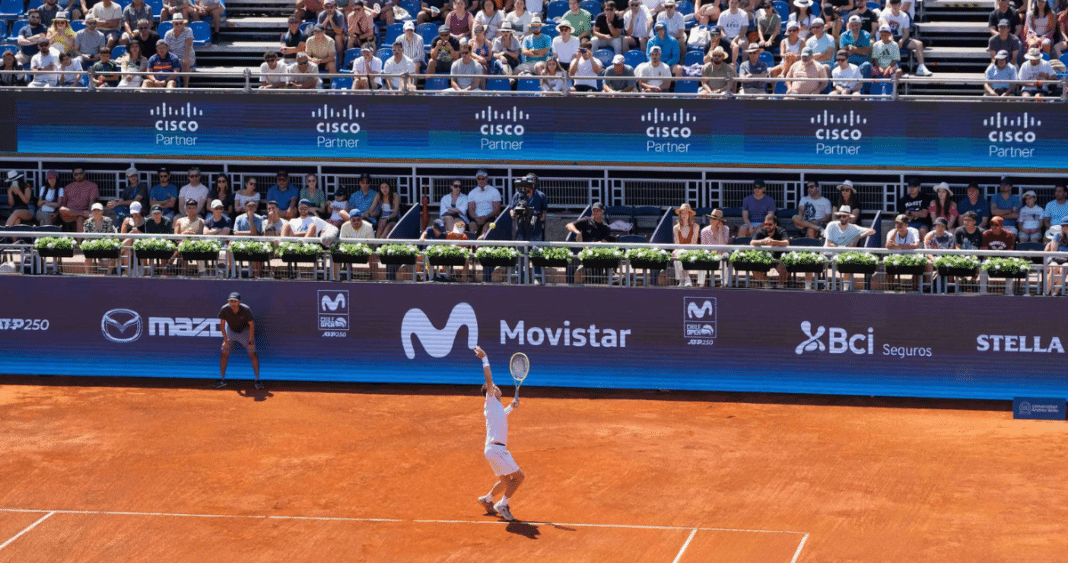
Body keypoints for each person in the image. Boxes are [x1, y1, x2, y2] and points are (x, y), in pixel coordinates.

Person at [472, 345, 523, 522]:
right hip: (496, 450)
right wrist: (484, 357)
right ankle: (502, 504)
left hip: (491, 449)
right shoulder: (491, 399)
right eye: (493, 387)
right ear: (490, 392)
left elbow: (501, 418)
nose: (496, 388)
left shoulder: (497, 408)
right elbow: (489, 379)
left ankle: (487, 499)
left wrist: (511, 407)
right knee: (518, 478)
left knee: (505, 481)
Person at [215, 292, 262, 390]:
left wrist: (250, 341)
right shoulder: (224, 309)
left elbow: (252, 325)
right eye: (230, 301)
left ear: (239, 302)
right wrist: (225, 340)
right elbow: (222, 325)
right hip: (231, 332)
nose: (232, 303)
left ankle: (257, 380)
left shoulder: (246, 309)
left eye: (234, 301)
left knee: (252, 353)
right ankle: (222, 379)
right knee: (224, 352)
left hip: (245, 332)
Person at [749, 213, 789, 284]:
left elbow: (786, 242)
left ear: (775, 224)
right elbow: (752, 242)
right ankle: (766, 286)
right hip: (764, 258)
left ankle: (780, 287)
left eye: (770, 224)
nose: (767, 226)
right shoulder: (761, 231)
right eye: (766, 224)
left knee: (784, 269)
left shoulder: (781, 231)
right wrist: (763, 241)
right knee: (754, 269)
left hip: (778, 258)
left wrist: (774, 242)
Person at [58, 166, 99, 232]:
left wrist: (90, 212)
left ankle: (78, 242)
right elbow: (63, 203)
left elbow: (92, 200)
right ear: (73, 175)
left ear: (84, 173)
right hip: (70, 213)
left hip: (85, 213)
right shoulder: (68, 187)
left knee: (80, 218)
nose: (79, 176)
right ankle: (81, 213)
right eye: (76, 174)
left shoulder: (92, 186)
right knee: (62, 209)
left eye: (80, 173)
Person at [670, 203, 701, 286]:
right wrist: (678, 250)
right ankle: (685, 279)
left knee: (680, 254)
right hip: (680, 250)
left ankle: (682, 280)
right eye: (682, 213)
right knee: (678, 254)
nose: (684, 215)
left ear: (690, 214)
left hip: (691, 250)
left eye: (686, 213)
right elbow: (677, 244)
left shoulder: (695, 226)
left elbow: (693, 243)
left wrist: (683, 250)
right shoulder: (676, 228)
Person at [467, 170, 502, 237]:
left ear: (487, 179)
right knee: (472, 226)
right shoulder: (472, 193)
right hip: (477, 218)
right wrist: (476, 218)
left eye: (483, 179)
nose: (481, 181)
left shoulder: (494, 191)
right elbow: (471, 210)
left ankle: (479, 243)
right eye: (479, 179)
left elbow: (497, 210)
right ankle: (473, 245)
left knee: (487, 228)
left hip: (490, 218)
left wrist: (486, 217)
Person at [1044, 217, 1068, 295]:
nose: (1065, 227)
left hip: (1066, 261)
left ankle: (1055, 293)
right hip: (1055, 260)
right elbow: (1053, 252)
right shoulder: (1058, 235)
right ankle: (1046, 293)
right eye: (1063, 226)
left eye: (1067, 226)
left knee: (1064, 268)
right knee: (1054, 268)